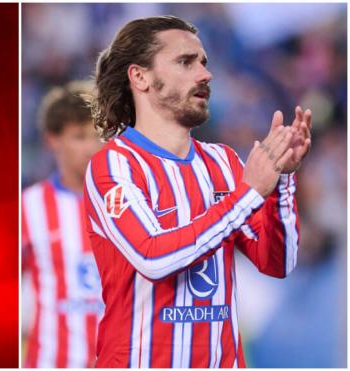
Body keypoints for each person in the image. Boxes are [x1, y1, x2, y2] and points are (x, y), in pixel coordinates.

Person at [83, 16, 312, 368]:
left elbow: (278, 263)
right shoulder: (114, 166)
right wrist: (249, 193)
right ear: (140, 77)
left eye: (203, 62)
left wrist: (281, 178)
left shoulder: (223, 162)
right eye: (185, 62)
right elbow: (155, 259)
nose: (205, 74)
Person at [22, 81, 105, 368]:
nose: (92, 147)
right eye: (80, 136)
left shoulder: (130, 203)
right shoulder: (29, 207)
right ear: (52, 139)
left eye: (98, 135)